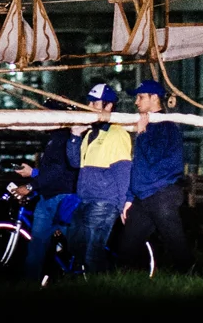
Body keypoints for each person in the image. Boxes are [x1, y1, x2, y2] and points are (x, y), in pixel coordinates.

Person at [118, 80, 189, 272]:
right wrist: (129, 198)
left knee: (175, 243)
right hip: (143, 197)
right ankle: (122, 284)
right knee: (127, 249)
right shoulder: (148, 125)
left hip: (162, 194)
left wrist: (142, 133)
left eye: (141, 97)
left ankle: (193, 280)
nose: (136, 102)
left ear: (154, 98)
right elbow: (139, 166)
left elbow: (153, 156)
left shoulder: (166, 126)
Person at [65, 82, 132, 275]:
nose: (90, 107)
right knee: (76, 250)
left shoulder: (117, 133)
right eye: (89, 102)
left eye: (95, 103)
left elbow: (123, 171)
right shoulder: (89, 134)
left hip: (104, 202)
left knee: (91, 253)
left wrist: (123, 204)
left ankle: (102, 290)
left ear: (109, 106)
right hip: (85, 199)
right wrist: (75, 136)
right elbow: (74, 162)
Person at [16, 99, 78, 281]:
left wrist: (30, 186)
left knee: (44, 244)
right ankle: (33, 282)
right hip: (49, 196)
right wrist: (33, 173)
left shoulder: (62, 139)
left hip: (61, 197)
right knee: (38, 244)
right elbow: (53, 171)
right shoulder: (54, 139)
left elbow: (58, 171)